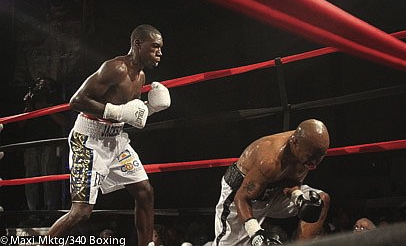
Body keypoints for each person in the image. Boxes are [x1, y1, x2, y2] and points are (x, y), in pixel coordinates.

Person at [47, 24, 170, 246]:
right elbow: (76, 101)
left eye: (161, 48)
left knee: (145, 193)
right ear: (138, 44)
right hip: (88, 140)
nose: (160, 52)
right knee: (81, 212)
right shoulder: (116, 68)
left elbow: (129, 113)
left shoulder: (140, 76)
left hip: (116, 140)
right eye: (155, 47)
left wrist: (151, 108)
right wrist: (116, 112)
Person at [212, 119, 331, 245]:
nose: (314, 163)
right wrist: (256, 233)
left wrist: (298, 197)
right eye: (310, 157)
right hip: (241, 196)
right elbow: (241, 198)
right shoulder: (269, 160)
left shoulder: (307, 148)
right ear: (294, 142)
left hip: (273, 193)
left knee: (321, 200)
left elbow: (289, 181)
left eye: (319, 157)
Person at [20, 76, 67, 212]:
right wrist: (29, 106)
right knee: (30, 179)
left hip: (50, 143)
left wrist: (47, 108)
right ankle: (32, 212)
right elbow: (20, 123)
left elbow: (64, 122)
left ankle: (50, 210)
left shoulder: (55, 99)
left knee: (49, 176)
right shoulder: (31, 100)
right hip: (31, 144)